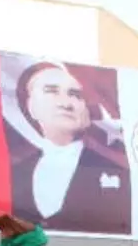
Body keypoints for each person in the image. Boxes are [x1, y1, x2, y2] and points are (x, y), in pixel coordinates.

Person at [10, 61, 131, 235]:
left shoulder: (115, 171)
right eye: (52, 92)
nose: (66, 103)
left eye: (75, 95)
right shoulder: (16, 174)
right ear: (30, 107)